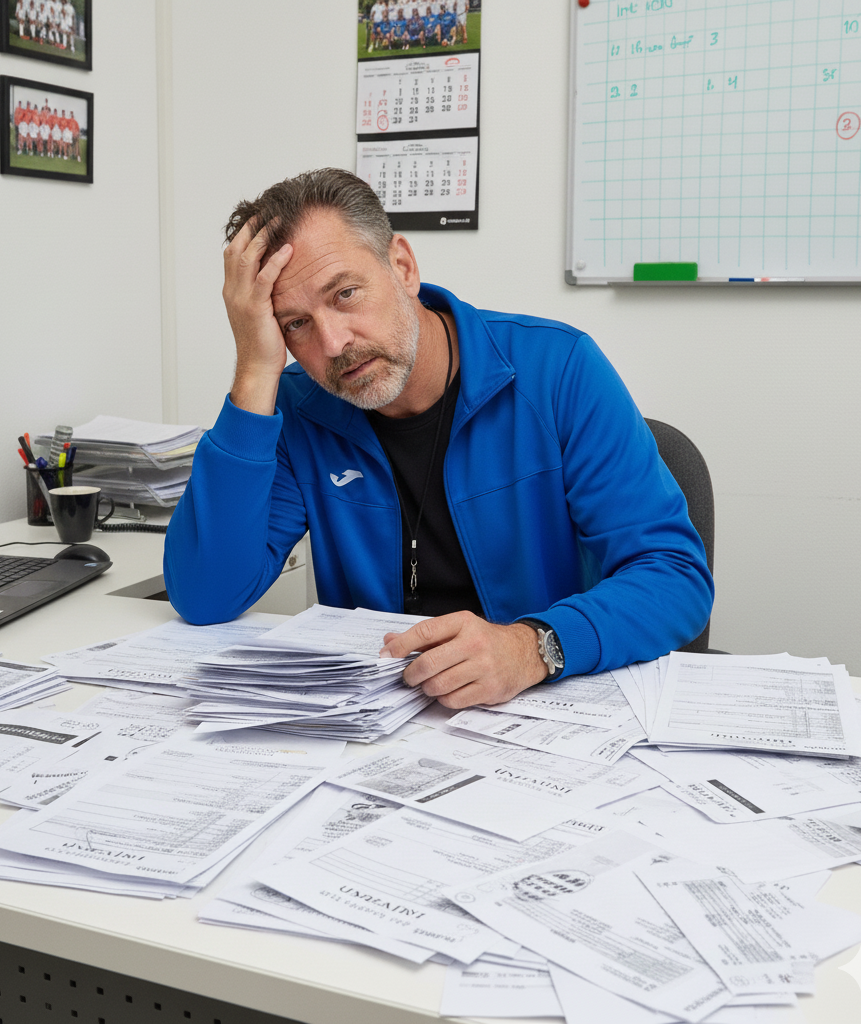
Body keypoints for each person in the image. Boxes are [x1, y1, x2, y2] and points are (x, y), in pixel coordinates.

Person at [163, 169, 713, 710]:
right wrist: (256, 369)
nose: (333, 343)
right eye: (295, 324)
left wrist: (533, 646)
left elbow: (673, 575)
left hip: (544, 707)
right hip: (384, 721)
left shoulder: (559, 369)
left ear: (401, 266)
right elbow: (206, 595)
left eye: (346, 293)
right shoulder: (296, 408)